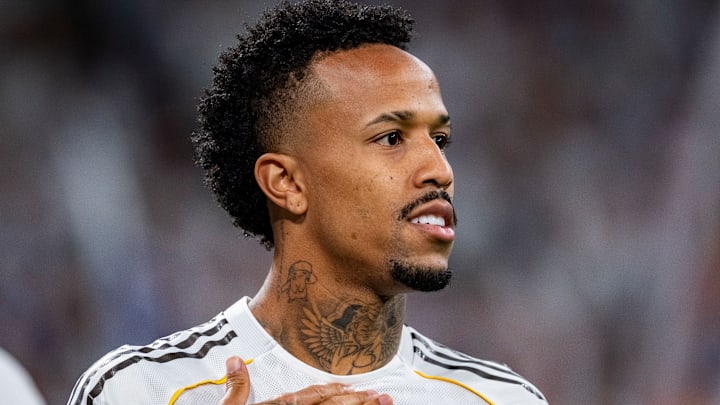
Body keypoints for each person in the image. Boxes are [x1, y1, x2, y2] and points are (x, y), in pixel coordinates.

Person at [68, 0, 548, 404]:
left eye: (439, 139)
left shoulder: (505, 398)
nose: (440, 170)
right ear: (286, 183)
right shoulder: (136, 390)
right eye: (391, 138)